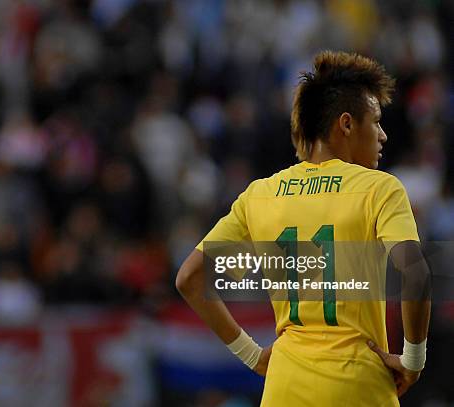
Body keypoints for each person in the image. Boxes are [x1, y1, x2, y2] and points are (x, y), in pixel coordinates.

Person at [176, 51, 431, 406]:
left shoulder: (260, 194)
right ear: (346, 123)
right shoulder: (379, 188)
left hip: (285, 386)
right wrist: (413, 360)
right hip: (357, 383)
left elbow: (189, 277)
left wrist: (252, 355)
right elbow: (415, 274)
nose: (383, 135)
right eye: (375, 121)